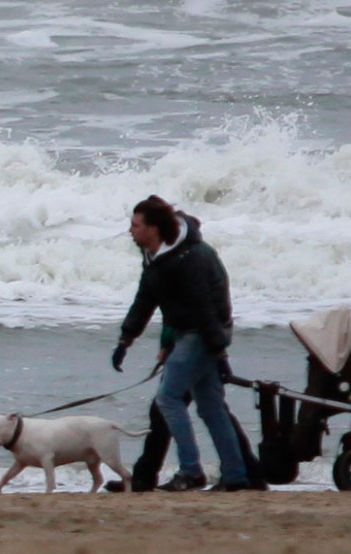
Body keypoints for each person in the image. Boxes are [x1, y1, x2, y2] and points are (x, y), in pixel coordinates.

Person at [111, 195, 251, 491]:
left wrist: (218, 351)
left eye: (136, 225)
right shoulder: (155, 255)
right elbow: (146, 298)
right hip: (189, 332)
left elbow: (206, 309)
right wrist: (126, 338)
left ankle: (191, 471)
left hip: (201, 332)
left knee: (168, 398)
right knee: (211, 406)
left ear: (154, 228)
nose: (131, 231)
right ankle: (236, 476)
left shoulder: (190, 259)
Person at [105, 325, 267, 493]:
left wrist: (167, 345)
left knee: (174, 408)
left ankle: (152, 477)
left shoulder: (189, 302)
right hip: (195, 344)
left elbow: (184, 314)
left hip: (192, 347)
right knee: (213, 411)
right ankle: (248, 474)